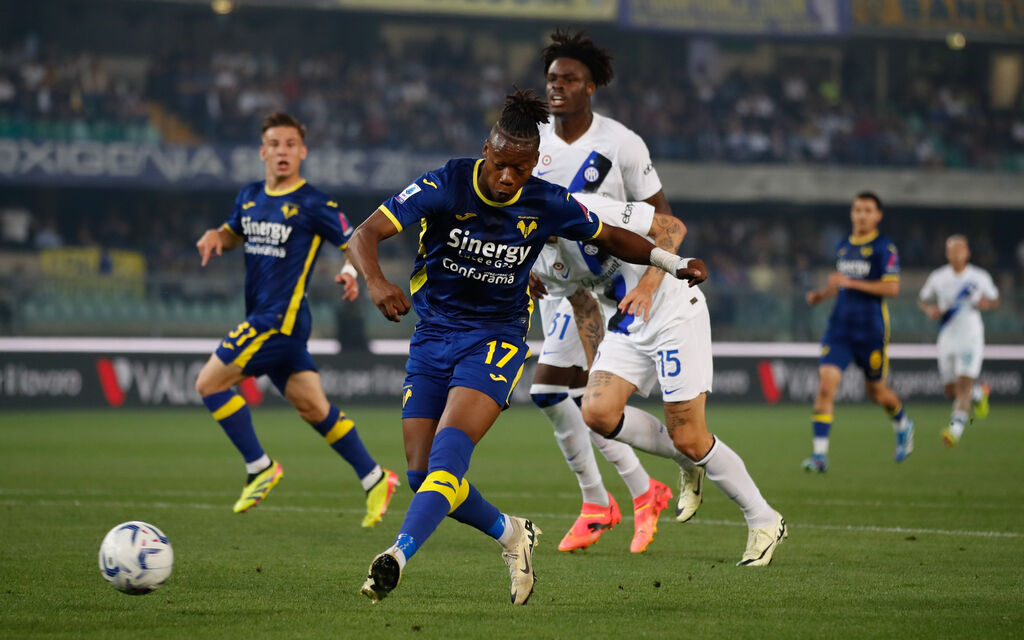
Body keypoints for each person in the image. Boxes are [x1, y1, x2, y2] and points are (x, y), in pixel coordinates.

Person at [348, 90, 705, 605]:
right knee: (421, 475)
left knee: (448, 461)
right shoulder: (447, 182)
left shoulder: (546, 202)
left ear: (535, 164)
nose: (506, 177)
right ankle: (511, 533)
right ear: (486, 150)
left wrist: (672, 263)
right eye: (499, 163)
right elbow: (364, 233)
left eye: (519, 168)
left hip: (495, 339)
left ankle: (397, 555)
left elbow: (611, 236)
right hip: (432, 336)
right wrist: (376, 281)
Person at [541, 193, 786, 567]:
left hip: (673, 314)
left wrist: (647, 286)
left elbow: (672, 227)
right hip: (626, 321)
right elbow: (583, 305)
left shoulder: (586, 209)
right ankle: (689, 463)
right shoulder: (536, 257)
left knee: (689, 436)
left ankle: (763, 518)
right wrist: (597, 371)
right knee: (597, 411)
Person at [529, 28, 700, 554]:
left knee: (567, 395)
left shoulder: (621, 142)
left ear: (591, 86)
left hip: (607, 284)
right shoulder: (533, 138)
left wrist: (650, 281)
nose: (557, 86)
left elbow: (664, 219)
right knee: (554, 395)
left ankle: (628, 492)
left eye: (569, 78)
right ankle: (622, 497)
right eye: (552, 77)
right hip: (560, 281)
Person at [193, 111, 399, 524]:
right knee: (314, 409)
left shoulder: (314, 203)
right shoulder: (249, 195)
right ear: (262, 152)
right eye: (274, 144)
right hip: (271, 318)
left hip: (278, 320)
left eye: (290, 144)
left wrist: (349, 271)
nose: (282, 151)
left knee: (209, 384)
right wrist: (218, 235)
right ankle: (375, 477)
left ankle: (259, 467)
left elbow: (355, 241)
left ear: (302, 152)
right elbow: (234, 233)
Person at [802, 192, 914, 472]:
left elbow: (892, 288)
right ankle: (819, 456)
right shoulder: (843, 246)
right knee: (826, 385)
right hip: (839, 329)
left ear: (878, 216)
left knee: (877, 391)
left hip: (870, 331)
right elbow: (841, 284)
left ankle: (903, 424)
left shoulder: (884, 247)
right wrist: (822, 294)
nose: (861, 215)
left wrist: (851, 283)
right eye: (857, 210)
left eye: (867, 210)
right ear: (852, 213)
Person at [918, 235, 998, 447]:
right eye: (951, 250)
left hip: (970, 338)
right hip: (947, 338)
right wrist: (929, 310)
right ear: (947, 253)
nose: (956, 254)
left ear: (967, 253)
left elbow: (995, 299)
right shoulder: (938, 277)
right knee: (951, 390)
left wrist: (986, 304)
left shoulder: (979, 277)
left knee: (963, 387)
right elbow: (923, 300)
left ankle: (955, 430)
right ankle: (979, 394)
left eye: (959, 250)